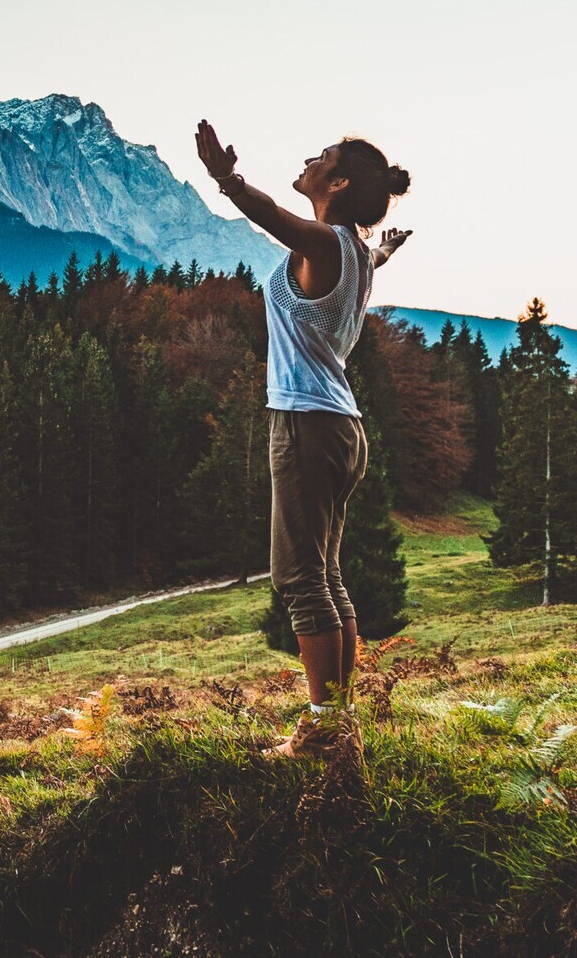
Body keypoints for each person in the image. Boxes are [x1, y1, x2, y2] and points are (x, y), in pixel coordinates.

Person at [194, 122, 411, 759]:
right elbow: (367, 259)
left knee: (298, 578)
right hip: (340, 427)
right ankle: (338, 722)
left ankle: (322, 731)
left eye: (321, 158)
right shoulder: (354, 254)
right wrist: (389, 251)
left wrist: (226, 180)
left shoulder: (324, 242)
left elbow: (270, 216)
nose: (309, 159)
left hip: (308, 426)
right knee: (324, 574)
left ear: (337, 183)